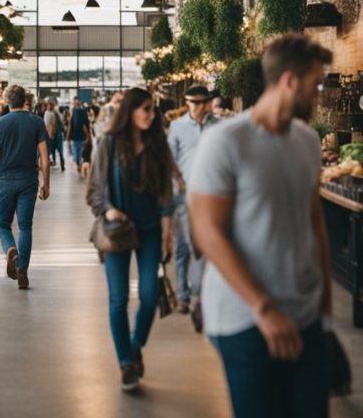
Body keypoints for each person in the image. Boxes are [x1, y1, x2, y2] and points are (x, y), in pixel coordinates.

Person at [188, 34, 334, 418]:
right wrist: (263, 307)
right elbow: (208, 233)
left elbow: (314, 222)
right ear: (290, 81)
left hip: (305, 315)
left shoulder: (307, 140)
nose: (318, 94)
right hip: (244, 318)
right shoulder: (226, 142)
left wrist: (327, 315)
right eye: (315, 83)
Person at [87, 87, 174, 393]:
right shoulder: (109, 143)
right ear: (130, 111)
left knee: (150, 295)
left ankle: (136, 346)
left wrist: (167, 231)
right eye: (146, 109)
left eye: (152, 109)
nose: (151, 115)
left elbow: (165, 192)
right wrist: (107, 210)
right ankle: (125, 363)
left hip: (151, 229)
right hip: (118, 231)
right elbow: (95, 188)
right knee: (118, 298)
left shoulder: (157, 144)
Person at [0, 83, 50, 290]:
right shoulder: (36, 122)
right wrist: (46, 183)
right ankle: (22, 270)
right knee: (25, 226)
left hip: (4, 180)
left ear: (7, 101)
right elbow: (44, 157)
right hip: (28, 180)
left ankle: (10, 249)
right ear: (24, 100)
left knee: (3, 224)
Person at [167, 84, 216, 330]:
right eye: (193, 103)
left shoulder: (217, 126)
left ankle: (198, 296)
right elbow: (170, 160)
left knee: (203, 247)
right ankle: (183, 296)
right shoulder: (177, 127)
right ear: (187, 103)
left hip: (209, 197)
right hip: (183, 196)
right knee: (183, 248)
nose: (198, 107)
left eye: (202, 102)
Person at [66, 97, 91, 172]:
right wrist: (68, 135)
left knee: (80, 154)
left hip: (82, 137)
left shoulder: (83, 112)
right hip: (75, 137)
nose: (76, 103)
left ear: (80, 103)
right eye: (75, 102)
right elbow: (70, 124)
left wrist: (87, 136)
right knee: (76, 154)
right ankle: (78, 164)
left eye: (77, 102)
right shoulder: (73, 112)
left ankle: (80, 165)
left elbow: (85, 125)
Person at [43, 98, 65, 171]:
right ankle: (53, 163)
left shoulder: (56, 113)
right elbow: (46, 125)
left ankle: (62, 165)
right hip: (50, 135)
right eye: (49, 105)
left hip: (57, 135)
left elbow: (60, 124)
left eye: (51, 105)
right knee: (50, 151)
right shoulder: (46, 113)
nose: (50, 106)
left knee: (60, 151)